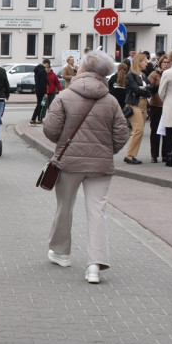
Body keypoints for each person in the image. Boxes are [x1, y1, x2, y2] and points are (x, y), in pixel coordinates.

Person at [43, 49, 128, 285]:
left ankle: (61, 253)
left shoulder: (65, 96)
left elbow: (50, 129)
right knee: (97, 212)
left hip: (69, 162)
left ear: (82, 69)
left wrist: (64, 141)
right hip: (100, 165)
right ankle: (94, 266)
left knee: (65, 206)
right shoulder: (111, 101)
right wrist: (106, 151)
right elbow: (122, 133)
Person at [123, 52, 151, 164]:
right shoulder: (130, 75)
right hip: (134, 105)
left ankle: (133, 155)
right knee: (138, 129)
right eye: (145, 61)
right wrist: (143, 89)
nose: (147, 63)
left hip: (144, 105)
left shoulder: (142, 75)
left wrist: (143, 88)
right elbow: (135, 89)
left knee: (140, 130)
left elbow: (151, 89)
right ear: (139, 62)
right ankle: (129, 155)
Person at [145, 54, 170, 162]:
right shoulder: (154, 74)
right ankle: (154, 155)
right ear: (160, 63)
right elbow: (149, 87)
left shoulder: (171, 74)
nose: (166, 64)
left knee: (167, 131)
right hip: (156, 105)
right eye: (164, 62)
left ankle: (165, 154)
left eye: (168, 62)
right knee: (155, 131)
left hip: (169, 106)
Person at [42, 59, 62, 124]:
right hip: (44, 94)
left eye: (48, 68)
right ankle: (42, 119)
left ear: (50, 67)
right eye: (45, 68)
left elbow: (58, 83)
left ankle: (50, 120)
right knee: (43, 106)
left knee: (51, 107)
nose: (47, 69)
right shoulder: (43, 74)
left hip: (52, 94)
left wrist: (60, 90)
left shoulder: (53, 75)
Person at [29, 58, 48, 125]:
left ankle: (37, 119)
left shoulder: (37, 70)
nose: (47, 67)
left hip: (37, 90)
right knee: (40, 105)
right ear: (46, 64)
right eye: (47, 65)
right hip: (42, 91)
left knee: (39, 104)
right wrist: (45, 92)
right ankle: (33, 119)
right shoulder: (43, 71)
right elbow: (44, 82)